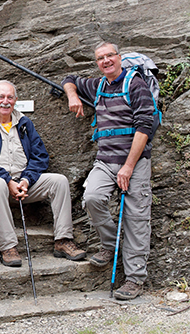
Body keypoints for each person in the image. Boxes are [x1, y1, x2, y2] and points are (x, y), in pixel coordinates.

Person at [62, 42, 155, 300]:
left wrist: (128, 167)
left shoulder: (136, 85)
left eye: (110, 56)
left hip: (134, 161)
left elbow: (145, 127)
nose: (105, 61)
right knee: (92, 196)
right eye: (100, 58)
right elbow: (69, 79)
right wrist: (72, 95)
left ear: (120, 58)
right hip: (105, 160)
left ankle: (135, 279)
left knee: (136, 218)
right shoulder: (98, 85)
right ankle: (110, 245)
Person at [0, 80, 86, 268]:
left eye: (10, 97)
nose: (5, 101)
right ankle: (8, 247)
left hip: (24, 185)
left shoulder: (24, 123)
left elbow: (40, 156)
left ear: (15, 100)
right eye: (1, 97)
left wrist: (26, 180)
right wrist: (7, 180)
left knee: (59, 181)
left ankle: (63, 240)